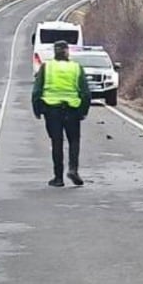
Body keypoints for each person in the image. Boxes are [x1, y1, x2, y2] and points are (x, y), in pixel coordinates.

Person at [31, 40, 90, 187]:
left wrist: (37, 109)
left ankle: (58, 178)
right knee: (74, 141)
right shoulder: (76, 68)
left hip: (52, 110)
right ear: (67, 51)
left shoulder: (47, 67)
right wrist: (83, 111)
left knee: (56, 142)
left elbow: (37, 90)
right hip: (72, 110)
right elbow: (85, 92)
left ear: (55, 52)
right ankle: (73, 169)